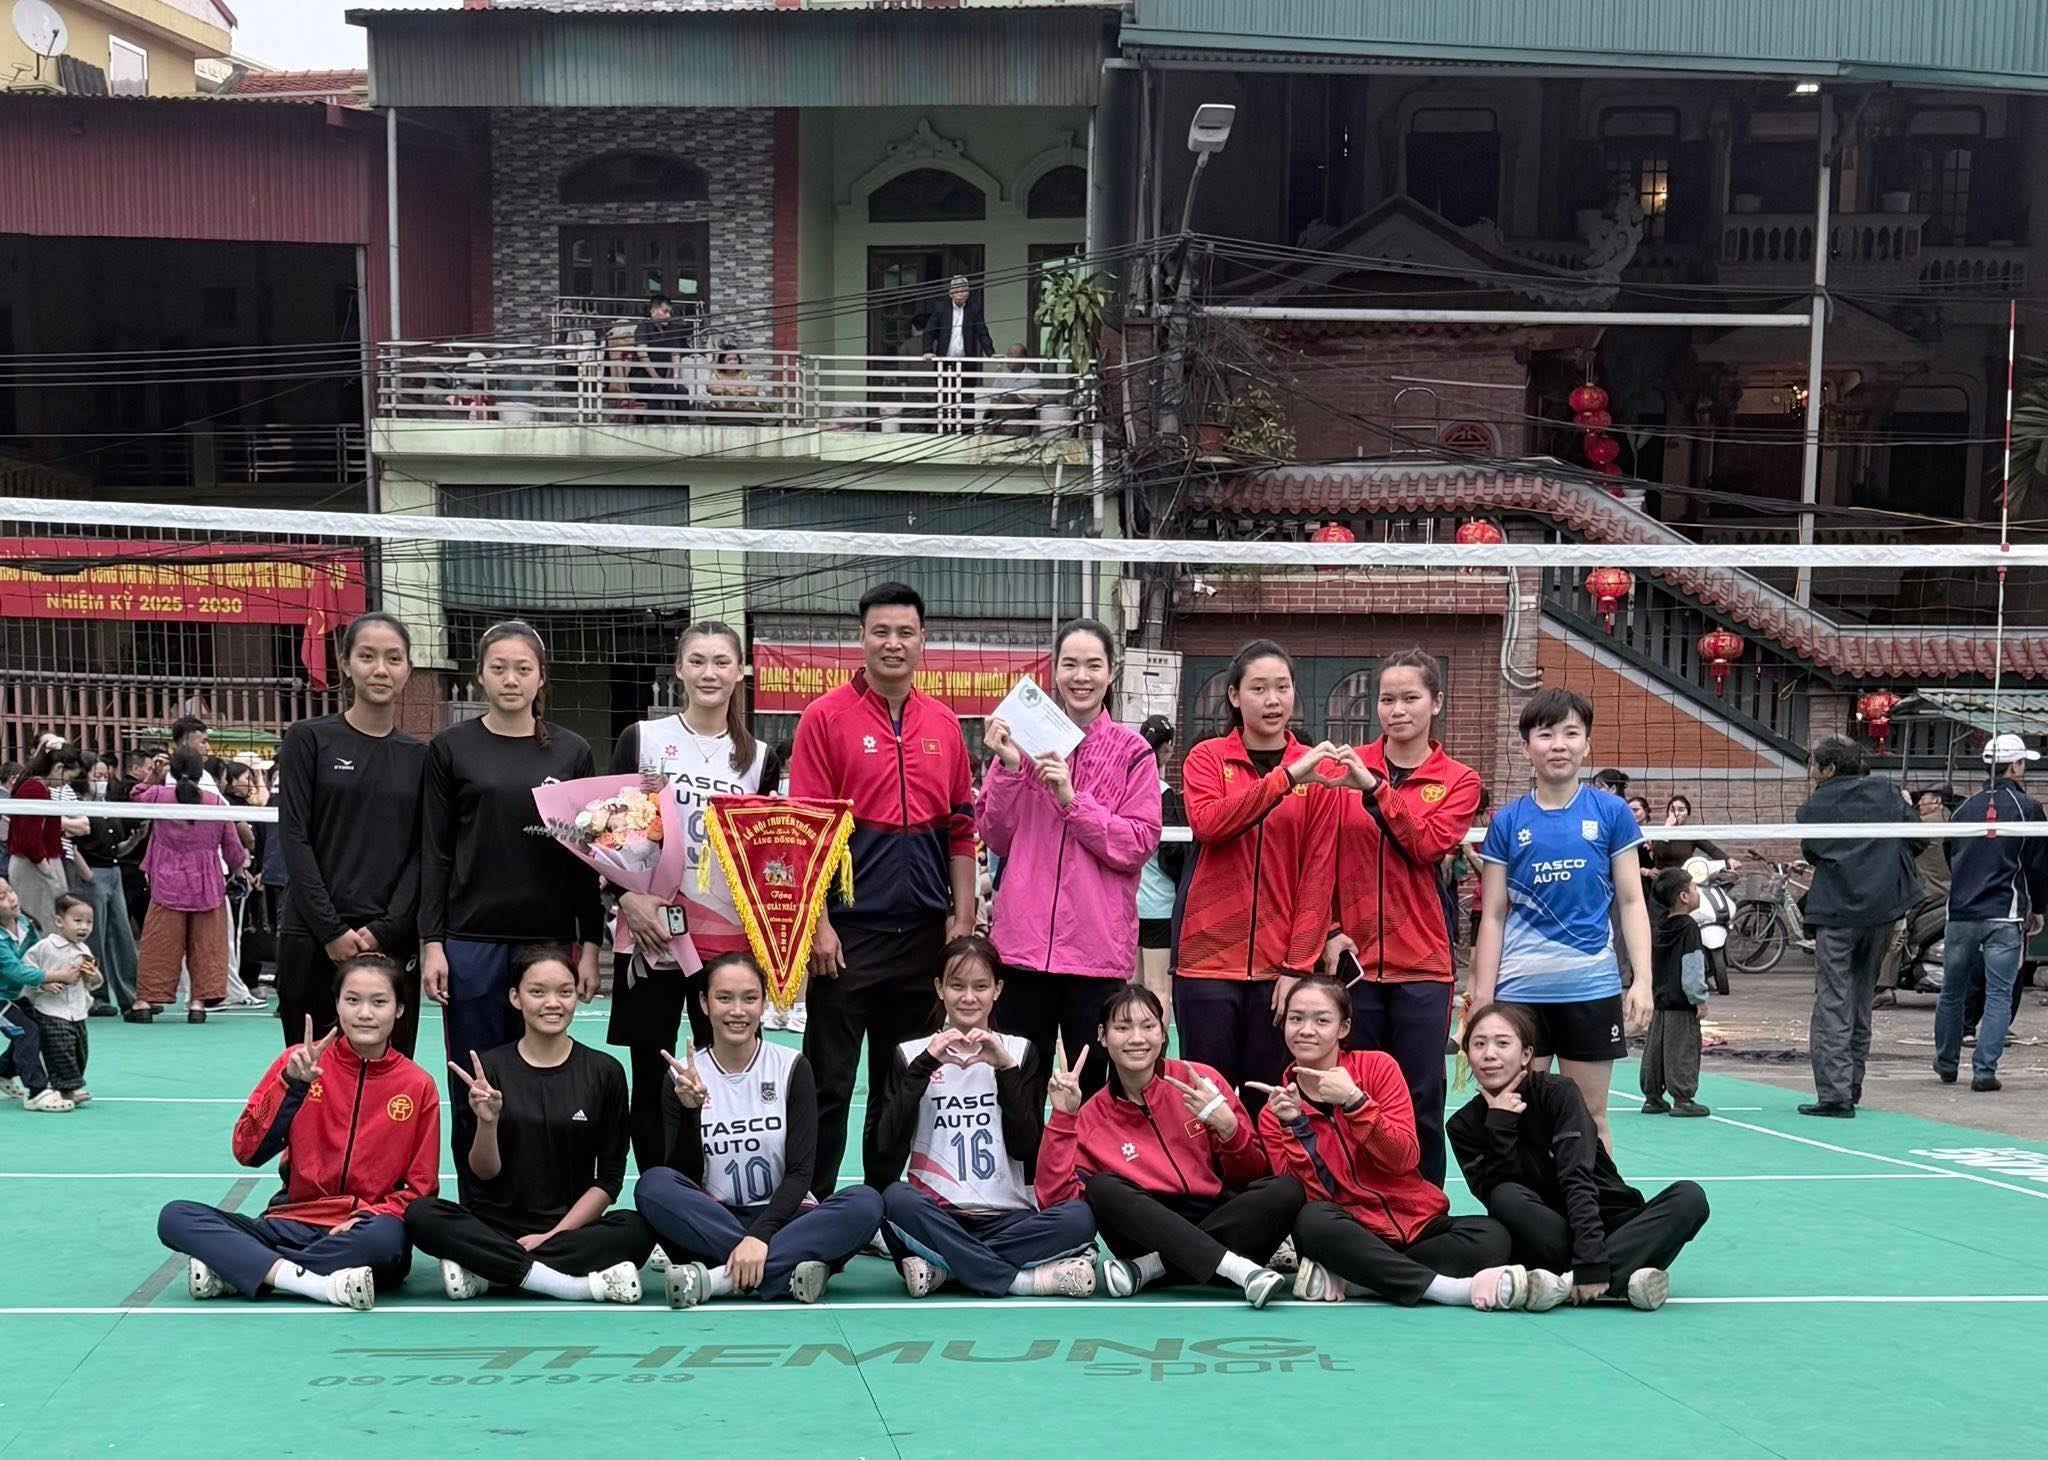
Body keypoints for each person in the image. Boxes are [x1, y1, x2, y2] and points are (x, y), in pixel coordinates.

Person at [790, 583, 975, 1197]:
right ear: (861, 638)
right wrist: (818, 924)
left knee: (901, 1082)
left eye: (905, 632)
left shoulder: (945, 724)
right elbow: (806, 832)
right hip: (847, 937)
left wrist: (962, 920)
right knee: (828, 1082)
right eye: (881, 632)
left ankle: (885, 1205)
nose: (893, 643)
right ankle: (812, 1205)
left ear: (923, 641)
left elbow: (961, 829)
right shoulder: (825, 718)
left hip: (922, 936)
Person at [420, 621, 604, 1192]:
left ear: (541, 678)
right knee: (475, 1080)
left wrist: (589, 946)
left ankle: (540, 1198)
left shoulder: (571, 751)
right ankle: (478, 1203)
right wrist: (432, 942)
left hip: (546, 943)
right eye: (498, 668)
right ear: (480, 675)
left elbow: (586, 858)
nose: (511, 679)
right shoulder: (451, 748)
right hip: (471, 941)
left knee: (540, 1079)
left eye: (523, 669)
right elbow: (435, 853)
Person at [157, 955, 440, 1308]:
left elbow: (421, 1188)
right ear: (337, 1003)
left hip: (361, 1230)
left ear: (399, 1009)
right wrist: (290, 1085)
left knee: (386, 1241)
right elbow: (246, 1150)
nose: (365, 1013)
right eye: (352, 1000)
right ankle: (315, 1282)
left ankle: (250, 1269)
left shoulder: (417, 1085)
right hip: (289, 1221)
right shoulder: (298, 1062)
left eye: (379, 1002)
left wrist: (370, 1216)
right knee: (175, 1217)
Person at [608, 621, 783, 1171]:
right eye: (699, 661)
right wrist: (625, 898)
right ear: (680, 669)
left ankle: (720, 1188)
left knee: (726, 1071)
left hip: (727, 940)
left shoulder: (759, 757)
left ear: (740, 672)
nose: (710, 673)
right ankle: (659, 1193)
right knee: (651, 1071)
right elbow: (606, 827)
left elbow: (768, 853)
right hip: (651, 932)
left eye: (722, 662)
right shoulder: (642, 738)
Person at [1256, 976, 1531, 1309]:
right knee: (1312, 1221)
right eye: (1296, 1019)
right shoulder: (1275, 1113)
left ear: (1344, 1028)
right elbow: (1310, 1194)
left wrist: (1355, 1102)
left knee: (1493, 1237)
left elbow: (1403, 1158)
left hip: (1416, 1224)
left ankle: (1360, 1281)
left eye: (1321, 1020)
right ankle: (1448, 1289)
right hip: (1350, 1231)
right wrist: (1296, 1126)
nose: (1306, 1030)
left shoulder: (1378, 1068)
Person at [981, 618, 1161, 1124]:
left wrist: (1072, 800)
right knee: (1017, 1087)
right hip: (1022, 949)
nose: (1081, 677)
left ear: (1112, 673)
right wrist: (1010, 768)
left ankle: (1088, 1171)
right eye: (1070, 664)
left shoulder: (1133, 753)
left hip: (1095, 953)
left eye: (1093, 665)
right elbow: (995, 835)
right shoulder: (1024, 742)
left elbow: (1136, 843)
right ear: (1054, 671)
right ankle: (1021, 1172)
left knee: (1094, 1092)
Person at [1317, 648, 1482, 1186]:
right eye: (1387, 699)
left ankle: (1424, 1209)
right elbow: (1320, 861)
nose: (1398, 709)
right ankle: (1357, 1207)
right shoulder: (1341, 768)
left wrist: (1374, 789)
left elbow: (1426, 845)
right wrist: (1330, 931)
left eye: (1411, 698)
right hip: (1355, 966)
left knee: (1419, 1098)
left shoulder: (1458, 780)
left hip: (1423, 966)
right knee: (1352, 1091)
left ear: (1437, 703)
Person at [635, 953, 883, 1306]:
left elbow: (801, 1172)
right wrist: (691, 1113)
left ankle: (719, 1280)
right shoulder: (684, 1077)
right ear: (704, 1003)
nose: (737, 1010)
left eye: (749, 998)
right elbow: (683, 1177)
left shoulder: (791, 1066)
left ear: (764, 1002)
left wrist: (760, 1237)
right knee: (653, 1185)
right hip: (716, 1218)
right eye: (724, 998)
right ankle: (787, 1272)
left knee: (866, 1203)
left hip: (785, 1215)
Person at [407, 946, 651, 1303]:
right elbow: (483, 1173)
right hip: (495, 1225)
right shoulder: (488, 1070)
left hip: (569, 1228)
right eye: (537, 992)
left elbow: (609, 1180)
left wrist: (552, 1236)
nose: (552, 1003)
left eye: (564, 992)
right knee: (421, 1214)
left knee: (638, 1229)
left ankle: (490, 1271)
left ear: (576, 996)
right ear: (515, 998)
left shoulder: (605, 1072)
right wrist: (487, 1122)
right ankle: (564, 1282)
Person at [1038, 985, 1300, 1308]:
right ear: (1103, 1036)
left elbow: (1252, 1176)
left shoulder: (1201, 1081)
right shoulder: (1091, 1117)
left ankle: (1152, 1269)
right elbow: (1057, 1203)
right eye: (1123, 1027)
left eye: (1148, 1026)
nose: (1137, 1038)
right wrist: (1063, 1117)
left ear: (1163, 1033)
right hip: (1146, 1228)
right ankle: (1239, 1270)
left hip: (1216, 1215)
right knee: (1103, 1188)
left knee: (1286, 1190)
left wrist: (1229, 1129)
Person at [1471, 688, 1652, 1151]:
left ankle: (1597, 1199)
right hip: (1520, 996)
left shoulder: (1611, 813)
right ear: (1526, 746)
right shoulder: (1508, 822)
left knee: (1591, 1117)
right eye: (1546, 734)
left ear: (1586, 744)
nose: (1558, 745)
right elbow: (1492, 915)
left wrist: (1643, 980)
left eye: (1571, 734)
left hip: (1591, 990)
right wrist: (1483, 998)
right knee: (1522, 1117)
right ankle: (1528, 1200)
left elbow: (1632, 901)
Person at [875, 935, 1099, 1298]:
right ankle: (1022, 1281)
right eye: (957, 986)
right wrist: (923, 1067)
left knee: (1079, 1218)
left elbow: (1026, 1147)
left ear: (998, 989)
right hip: (937, 1214)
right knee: (895, 1200)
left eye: (980, 986)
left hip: (1009, 1217)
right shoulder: (911, 1054)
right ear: (939, 988)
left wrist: (1006, 1071)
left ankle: (947, 1269)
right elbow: (885, 1149)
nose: (968, 997)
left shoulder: (1019, 1051)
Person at [1450, 1003, 1710, 1312]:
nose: (1490, 1054)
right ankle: (1625, 1276)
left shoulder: (1559, 1093)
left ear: (1526, 1054)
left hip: (1611, 1223)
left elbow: (1577, 1177)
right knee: (1505, 1196)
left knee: (1690, 1198)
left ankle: (1566, 1285)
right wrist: (1500, 1124)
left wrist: (1591, 1260)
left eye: (1502, 1043)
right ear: (1468, 1053)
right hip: (1547, 1237)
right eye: (1479, 1044)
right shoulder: (1462, 1127)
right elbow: (1504, 1198)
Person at [1175, 640, 1340, 1107]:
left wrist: (1297, 967)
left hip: (1278, 970)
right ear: (1234, 696)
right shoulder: (1206, 758)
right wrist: (1286, 779)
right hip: (1206, 962)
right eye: (1259, 689)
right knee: (1206, 1102)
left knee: (1272, 1104)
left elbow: (1318, 875)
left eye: (1282, 688)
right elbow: (1210, 823)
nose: (1272, 700)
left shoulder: (1320, 772)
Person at [277, 613, 428, 1057]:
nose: (380, 669)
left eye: (393, 659)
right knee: (310, 1073)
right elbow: (295, 838)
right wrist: (331, 930)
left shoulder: (421, 757)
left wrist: (384, 930)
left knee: (389, 1075)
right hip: (313, 936)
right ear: (345, 663)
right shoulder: (308, 739)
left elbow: (424, 852)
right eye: (367, 657)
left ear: (407, 669)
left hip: (390, 941)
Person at [1796, 735, 1923, 1117]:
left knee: (1834, 999)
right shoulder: (1888, 793)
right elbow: (1919, 839)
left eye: (1813, 764)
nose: (1809, 771)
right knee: (1861, 996)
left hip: (1837, 913)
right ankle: (1851, 1087)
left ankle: (1836, 1095)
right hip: (1882, 910)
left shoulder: (1815, 806)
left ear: (1829, 768)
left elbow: (1811, 852)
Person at [1934, 735, 2048, 1092]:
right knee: (1999, 994)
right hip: (2004, 913)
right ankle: (1984, 1071)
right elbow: (2039, 865)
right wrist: (2038, 909)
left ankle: (1946, 1062)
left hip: (1961, 913)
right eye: (2023, 763)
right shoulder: (2028, 808)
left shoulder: (1963, 808)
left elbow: (1951, 854)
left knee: (1951, 991)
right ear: (2014, 766)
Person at [129, 747, 248, 1024]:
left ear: (171, 770)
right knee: (207, 946)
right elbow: (233, 847)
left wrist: (153, 775)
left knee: (159, 943)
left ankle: (144, 1002)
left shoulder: (159, 795)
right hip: (207, 883)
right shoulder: (215, 802)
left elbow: (135, 797)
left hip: (167, 880)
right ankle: (198, 1004)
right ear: (200, 772)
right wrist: (239, 870)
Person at [0, 876, 88, 1112]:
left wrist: (44, 982)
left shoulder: (24, 923)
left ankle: (3, 1071)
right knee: (26, 1032)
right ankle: (37, 1091)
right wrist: (57, 976)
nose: (11, 898)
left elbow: (36, 958)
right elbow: (17, 971)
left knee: (39, 1027)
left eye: (10, 891)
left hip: (13, 995)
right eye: (2, 897)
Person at [1640, 869, 1711, 1117]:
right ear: (1683, 896)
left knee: (1656, 1050)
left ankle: (1652, 1096)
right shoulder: (1689, 927)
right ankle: (1683, 1098)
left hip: (1660, 1001)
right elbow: (1692, 966)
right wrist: (1699, 998)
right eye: (1694, 888)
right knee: (1682, 1049)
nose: (1697, 892)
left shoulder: (1659, 926)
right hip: (1681, 1003)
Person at [72, 755, 139, 1014]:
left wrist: (133, 842)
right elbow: (69, 844)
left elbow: (115, 848)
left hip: (114, 871)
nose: (101, 781)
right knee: (94, 936)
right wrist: (87, 875)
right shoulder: (76, 805)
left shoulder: (108, 805)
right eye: (96, 776)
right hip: (92, 873)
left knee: (122, 934)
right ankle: (96, 997)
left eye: (104, 776)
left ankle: (129, 995)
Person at [1879, 787, 1953, 1003]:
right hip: (1948, 890)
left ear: (1937, 801)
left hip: (1927, 891)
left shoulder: (1923, 826)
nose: (1920, 804)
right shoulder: (1953, 822)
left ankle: (1885, 985)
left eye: (1925, 800)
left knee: (1896, 928)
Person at [1133, 714, 1184, 1025]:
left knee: (1131, 987)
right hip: (1159, 906)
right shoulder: (1162, 793)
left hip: (1128, 905)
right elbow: (1174, 853)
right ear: (1167, 748)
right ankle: (1158, 1049)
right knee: (1159, 989)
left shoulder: (1125, 786)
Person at [24, 894, 99, 1103]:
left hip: (78, 1011)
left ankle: (70, 1084)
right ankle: (67, 1087)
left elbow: (92, 981)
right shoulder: (45, 947)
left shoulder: (84, 950)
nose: (84, 927)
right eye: (77, 921)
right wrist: (43, 983)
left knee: (79, 1050)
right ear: (59, 921)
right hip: (50, 1010)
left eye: (89, 922)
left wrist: (94, 977)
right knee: (60, 1049)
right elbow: (26, 971)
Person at [7, 743, 85, 936]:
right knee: (44, 926)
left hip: (38, 863)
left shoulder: (37, 787)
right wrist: (46, 869)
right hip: (33, 868)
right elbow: (28, 838)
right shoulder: (35, 789)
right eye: (68, 778)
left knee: (50, 923)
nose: (65, 784)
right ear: (59, 768)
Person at [1651, 793, 1733, 872]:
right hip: (1663, 877)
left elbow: (1712, 850)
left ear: (1688, 814)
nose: (1676, 813)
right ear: (1667, 813)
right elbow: (1658, 853)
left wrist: (1728, 860)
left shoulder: (1691, 833)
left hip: (1683, 877)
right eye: (1672, 810)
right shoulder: (1658, 832)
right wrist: (1666, 828)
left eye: (1681, 810)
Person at [920, 275, 993, 362]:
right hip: (943, 360)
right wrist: (928, 351)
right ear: (950, 293)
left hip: (967, 361)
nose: (960, 294)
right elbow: (929, 331)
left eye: (963, 290)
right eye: (956, 290)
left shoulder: (974, 309)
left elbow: (983, 333)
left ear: (968, 294)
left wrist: (991, 354)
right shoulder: (941, 308)